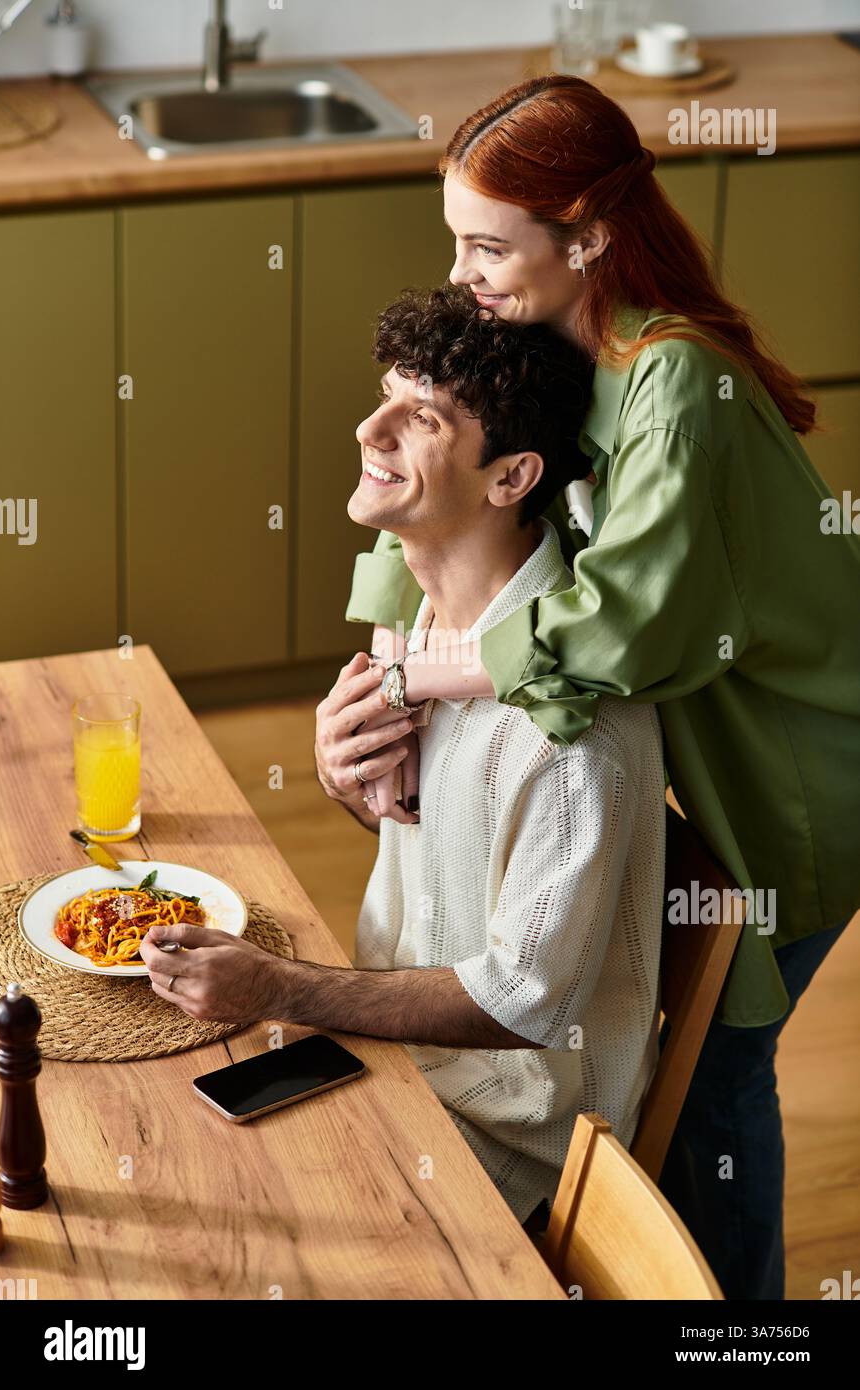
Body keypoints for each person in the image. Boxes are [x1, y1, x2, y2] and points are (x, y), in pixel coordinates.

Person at [342, 77, 860, 1299]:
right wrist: (377, 664)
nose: (463, 270)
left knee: (720, 1076)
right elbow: (435, 510)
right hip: (706, 747)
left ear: (584, 238)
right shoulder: (556, 328)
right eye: (454, 239)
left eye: (486, 244)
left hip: (794, 776)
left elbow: (616, 630)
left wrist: (410, 674)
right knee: (677, 1061)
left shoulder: (672, 383)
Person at [141, 285, 667, 1229]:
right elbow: (443, 841)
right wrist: (351, 787)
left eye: (419, 417)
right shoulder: (415, 618)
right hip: (375, 1049)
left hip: (502, 1141)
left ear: (510, 478)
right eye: (385, 394)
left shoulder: (571, 733)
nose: (368, 429)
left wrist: (277, 985)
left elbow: (521, 1006)